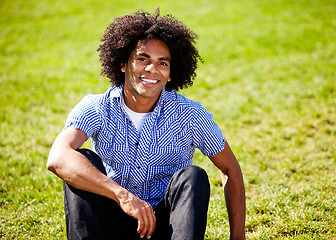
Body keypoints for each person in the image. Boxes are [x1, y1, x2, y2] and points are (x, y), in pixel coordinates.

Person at [47, 9, 246, 240]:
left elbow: (230, 168)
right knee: (82, 161)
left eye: (163, 63)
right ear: (123, 63)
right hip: (111, 222)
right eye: (143, 59)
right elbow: (58, 157)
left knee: (193, 176)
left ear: (170, 74)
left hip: (166, 229)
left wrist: (238, 236)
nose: (152, 69)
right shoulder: (96, 107)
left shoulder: (190, 114)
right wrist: (123, 196)